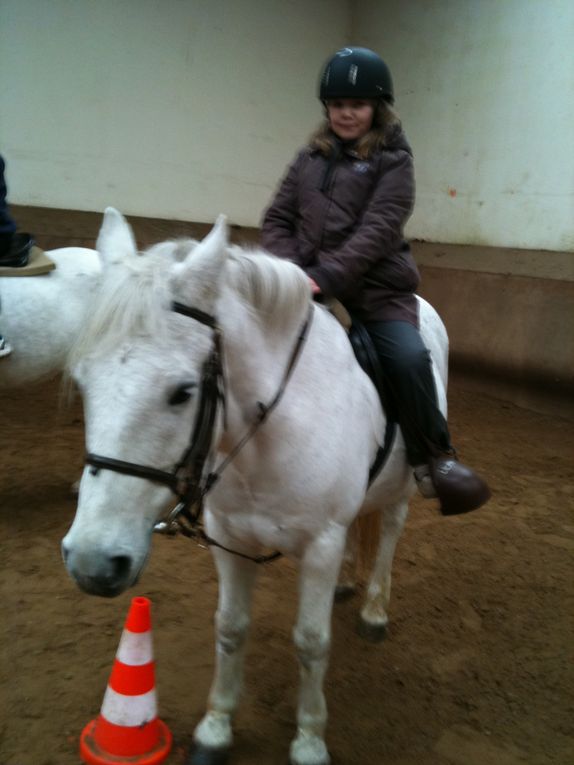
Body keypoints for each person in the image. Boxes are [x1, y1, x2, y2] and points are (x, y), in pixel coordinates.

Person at [261, 47, 489, 514]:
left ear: (376, 108)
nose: (347, 112)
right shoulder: (308, 157)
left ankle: (435, 460)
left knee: (407, 358)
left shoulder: (394, 160)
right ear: (327, 107)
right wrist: (292, 273)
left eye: (358, 104)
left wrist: (323, 277)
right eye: (338, 103)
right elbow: (277, 218)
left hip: (376, 293)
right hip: (306, 284)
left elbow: (378, 231)